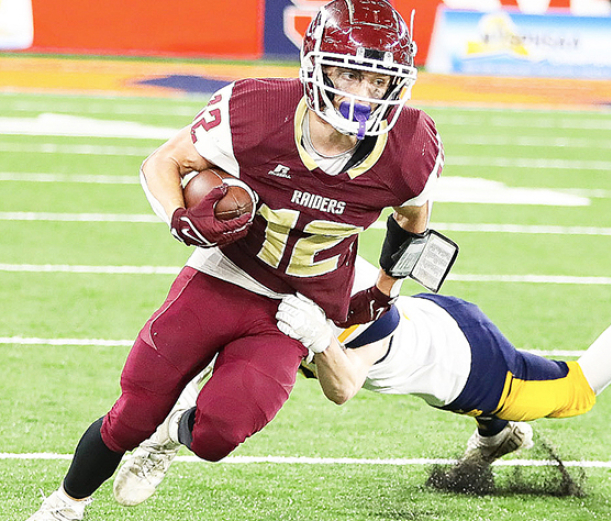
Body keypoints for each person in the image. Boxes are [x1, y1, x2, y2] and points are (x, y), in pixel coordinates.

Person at [26, 1, 444, 520]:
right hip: (226, 274)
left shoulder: (410, 147)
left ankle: (170, 433)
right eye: (350, 73)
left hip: (297, 308)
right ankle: (65, 505)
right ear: (317, 65)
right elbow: (165, 161)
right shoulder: (255, 108)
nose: (362, 95)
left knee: (216, 435)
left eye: (378, 82)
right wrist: (181, 220)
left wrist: (384, 292)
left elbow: (412, 223)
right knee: (133, 413)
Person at [110, 238, 611, 506]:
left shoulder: (355, 324)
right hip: (443, 320)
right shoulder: (322, 285)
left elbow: (342, 385)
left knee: (576, 388)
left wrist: (317, 335)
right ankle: (495, 435)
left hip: (472, 363)